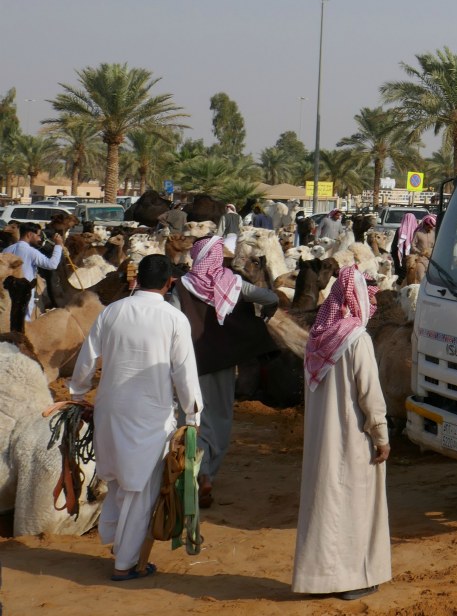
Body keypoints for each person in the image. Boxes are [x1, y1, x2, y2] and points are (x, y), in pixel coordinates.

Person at [67, 254, 203, 582]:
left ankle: (117, 545)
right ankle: (124, 565)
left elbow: (87, 358)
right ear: (169, 282)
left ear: (136, 278)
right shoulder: (173, 319)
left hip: (111, 410)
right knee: (141, 490)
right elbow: (185, 372)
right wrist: (193, 414)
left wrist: (77, 393)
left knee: (117, 483)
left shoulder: (112, 312)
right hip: (151, 416)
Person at [291, 265, 391, 600]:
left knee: (324, 506)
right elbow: (371, 396)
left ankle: (320, 579)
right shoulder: (357, 339)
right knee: (354, 507)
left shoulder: (317, 339)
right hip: (352, 439)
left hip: (322, 441)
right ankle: (353, 580)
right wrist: (381, 436)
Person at [173, 235, 281, 507]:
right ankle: (208, 472)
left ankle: (198, 471)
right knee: (219, 416)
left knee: (192, 416)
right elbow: (269, 296)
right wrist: (267, 311)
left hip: (190, 363)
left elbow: (172, 320)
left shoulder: (181, 287)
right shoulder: (231, 283)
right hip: (223, 364)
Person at [3, 222, 64, 330]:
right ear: (30, 235)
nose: (39, 239)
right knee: (23, 320)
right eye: (38, 235)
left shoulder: (6, 250)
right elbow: (52, 264)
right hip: (24, 291)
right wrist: (58, 246)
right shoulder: (31, 252)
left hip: (7, 290)